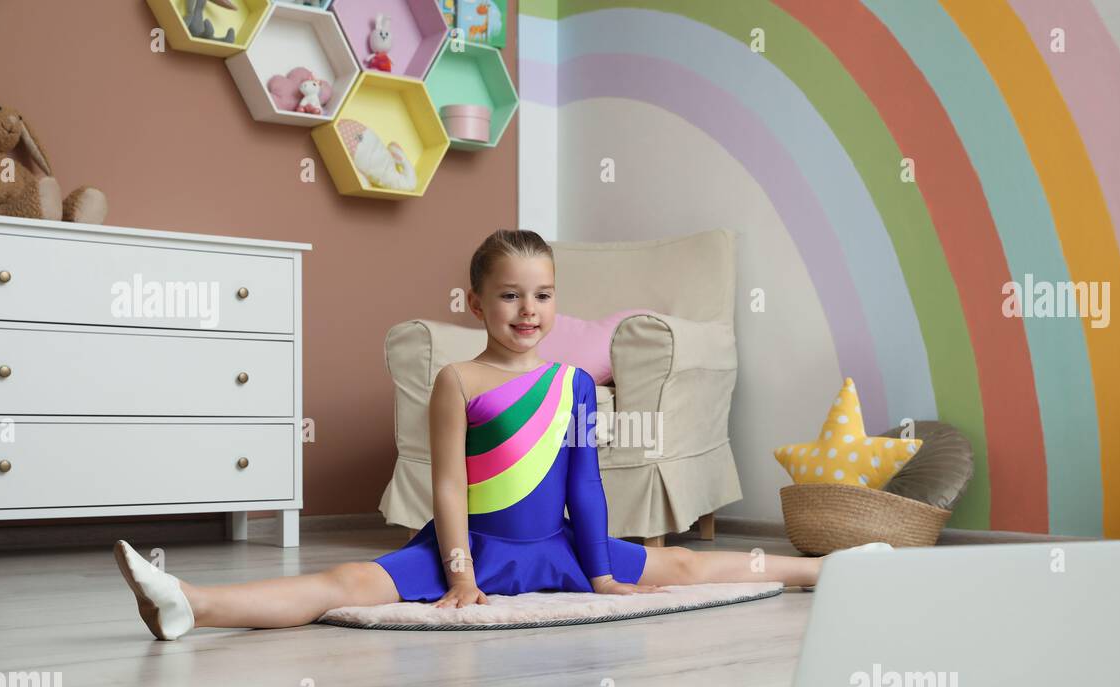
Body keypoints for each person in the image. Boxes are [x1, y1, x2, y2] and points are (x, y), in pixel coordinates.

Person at [114, 229, 824, 640]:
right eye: (511, 295)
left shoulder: (574, 384)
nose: (528, 310)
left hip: (560, 550)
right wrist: (458, 572)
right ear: (478, 302)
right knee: (345, 583)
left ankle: (828, 571)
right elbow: (448, 483)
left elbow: (583, 482)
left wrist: (602, 572)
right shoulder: (458, 381)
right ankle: (191, 603)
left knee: (691, 570)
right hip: (476, 549)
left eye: (543, 295)